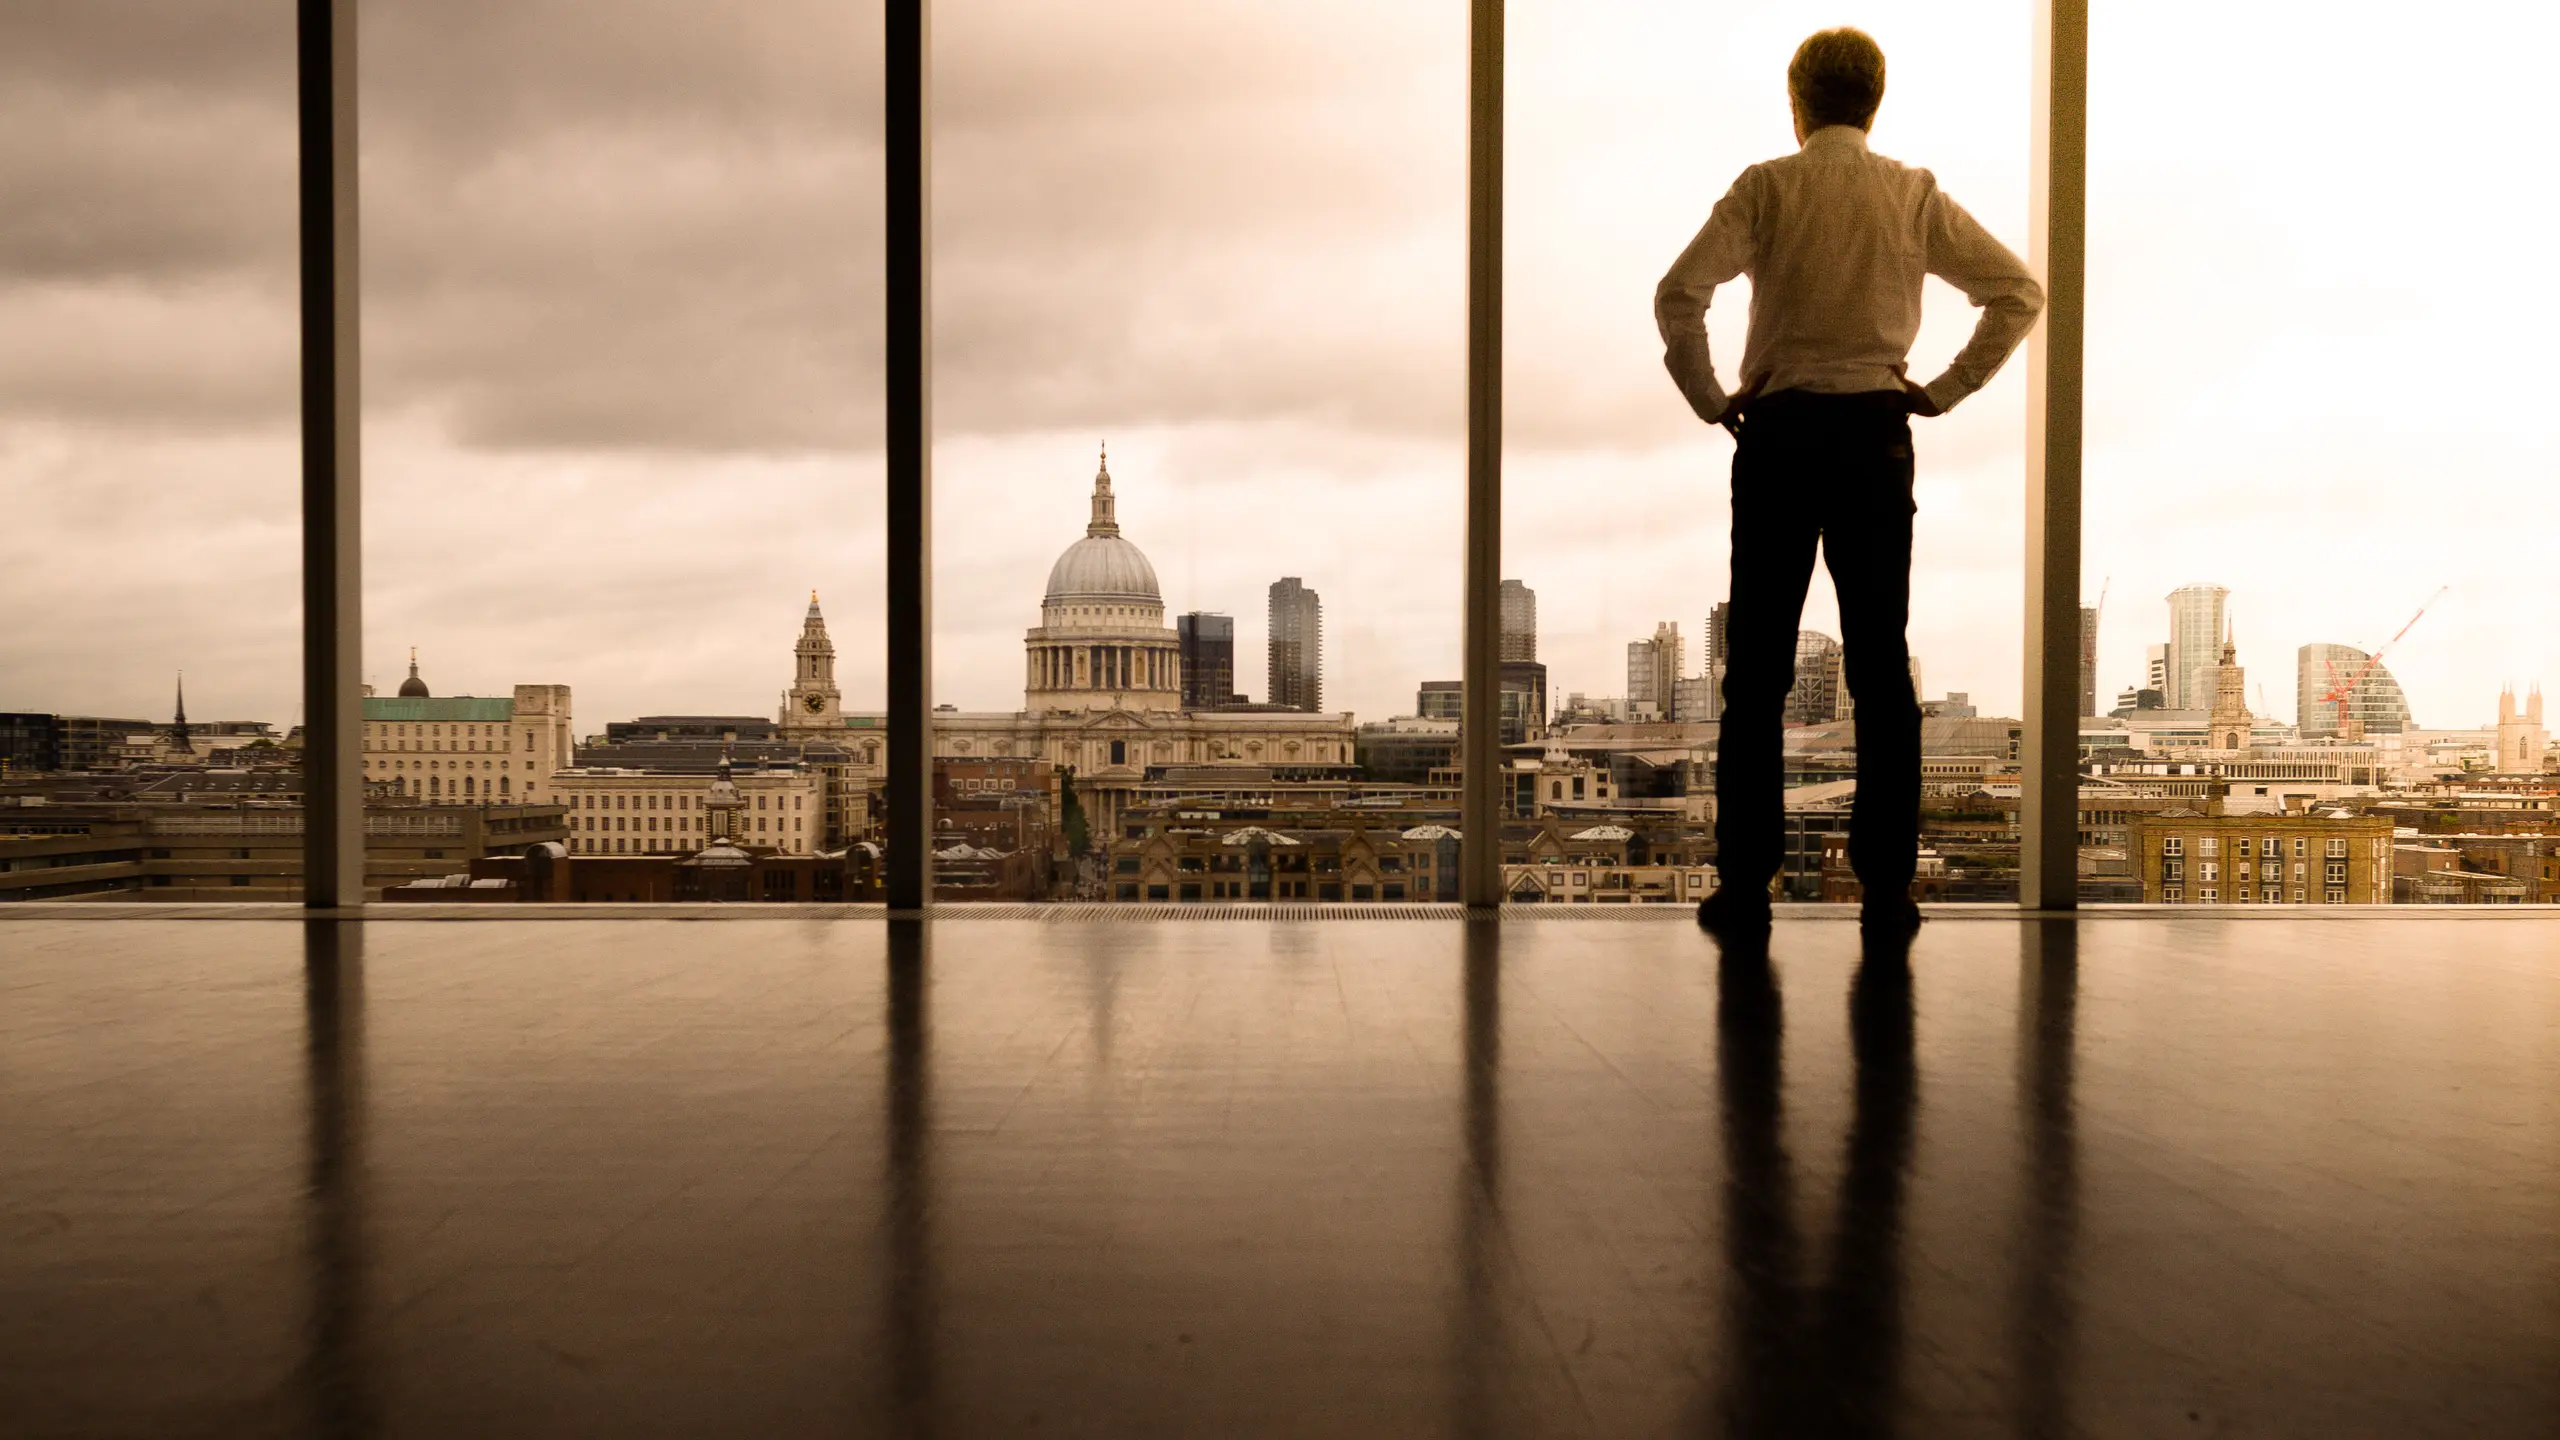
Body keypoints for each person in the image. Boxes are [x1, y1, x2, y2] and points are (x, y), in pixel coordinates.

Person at [1657, 27, 2043, 937]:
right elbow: (2017, 292)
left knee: (1754, 671)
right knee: (1878, 665)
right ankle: (1887, 887)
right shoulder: (1910, 194)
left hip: (1779, 432)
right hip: (1876, 434)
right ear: (1874, 103)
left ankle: (1745, 883)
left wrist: (1712, 398)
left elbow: (1681, 293)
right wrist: (1944, 390)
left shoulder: (1765, 188)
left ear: (1797, 104)